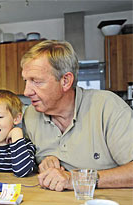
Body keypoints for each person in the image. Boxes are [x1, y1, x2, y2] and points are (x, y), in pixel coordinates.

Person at [21, 40, 133, 191]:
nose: (26, 92)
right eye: (26, 81)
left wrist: (79, 179)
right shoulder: (30, 116)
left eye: (36, 81)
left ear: (65, 81)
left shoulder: (108, 107)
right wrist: (44, 162)